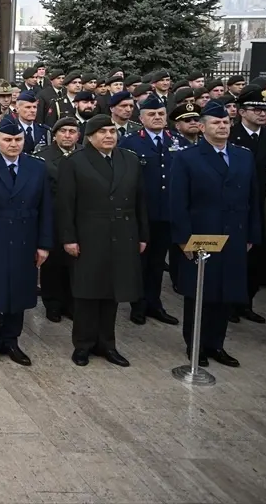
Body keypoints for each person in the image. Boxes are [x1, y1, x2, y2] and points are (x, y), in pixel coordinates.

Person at [166, 100, 260, 368]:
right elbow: (178, 202)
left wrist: (251, 235)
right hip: (203, 235)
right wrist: (183, 239)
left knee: (226, 292)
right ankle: (195, 344)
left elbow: (252, 198)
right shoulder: (187, 157)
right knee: (200, 292)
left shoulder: (243, 156)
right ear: (203, 127)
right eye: (216, 123)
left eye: (225, 122)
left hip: (235, 236)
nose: (222, 126)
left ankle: (216, 344)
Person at [56, 115, 146, 367]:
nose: (109, 135)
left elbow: (140, 201)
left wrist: (142, 235)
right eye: (102, 132)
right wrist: (69, 238)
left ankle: (107, 344)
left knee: (113, 292)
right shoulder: (75, 162)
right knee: (87, 293)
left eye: (111, 131)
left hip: (123, 234)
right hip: (89, 235)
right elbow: (65, 205)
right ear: (90, 136)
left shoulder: (129, 159)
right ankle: (83, 345)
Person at [0, 117, 53, 366]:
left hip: (25, 239)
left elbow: (46, 208)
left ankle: (12, 341)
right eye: (8, 139)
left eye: (18, 139)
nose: (13, 144)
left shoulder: (37, 167)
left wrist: (44, 244)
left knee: (20, 291)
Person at [119, 99, 180, 326]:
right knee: (139, 262)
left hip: (166, 213)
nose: (157, 117)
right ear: (141, 118)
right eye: (152, 114)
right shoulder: (131, 142)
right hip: (140, 214)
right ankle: (138, 304)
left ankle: (154, 303)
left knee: (157, 262)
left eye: (161, 113)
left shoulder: (176, 140)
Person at [228, 85, 266, 323]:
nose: (262, 114)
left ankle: (246, 303)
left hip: (264, 207)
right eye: (256, 109)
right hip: (237, 206)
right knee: (236, 258)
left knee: (257, 259)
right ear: (241, 112)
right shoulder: (231, 136)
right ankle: (230, 304)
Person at [37, 117, 80, 322]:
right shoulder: (43, 158)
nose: (68, 135)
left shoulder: (84, 155)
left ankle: (71, 303)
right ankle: (52, 304)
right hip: (52, 218)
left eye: (72, 131)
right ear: (55, 135)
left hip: (78, 218)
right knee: (52, 264)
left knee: (74, 264)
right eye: (63, 131)